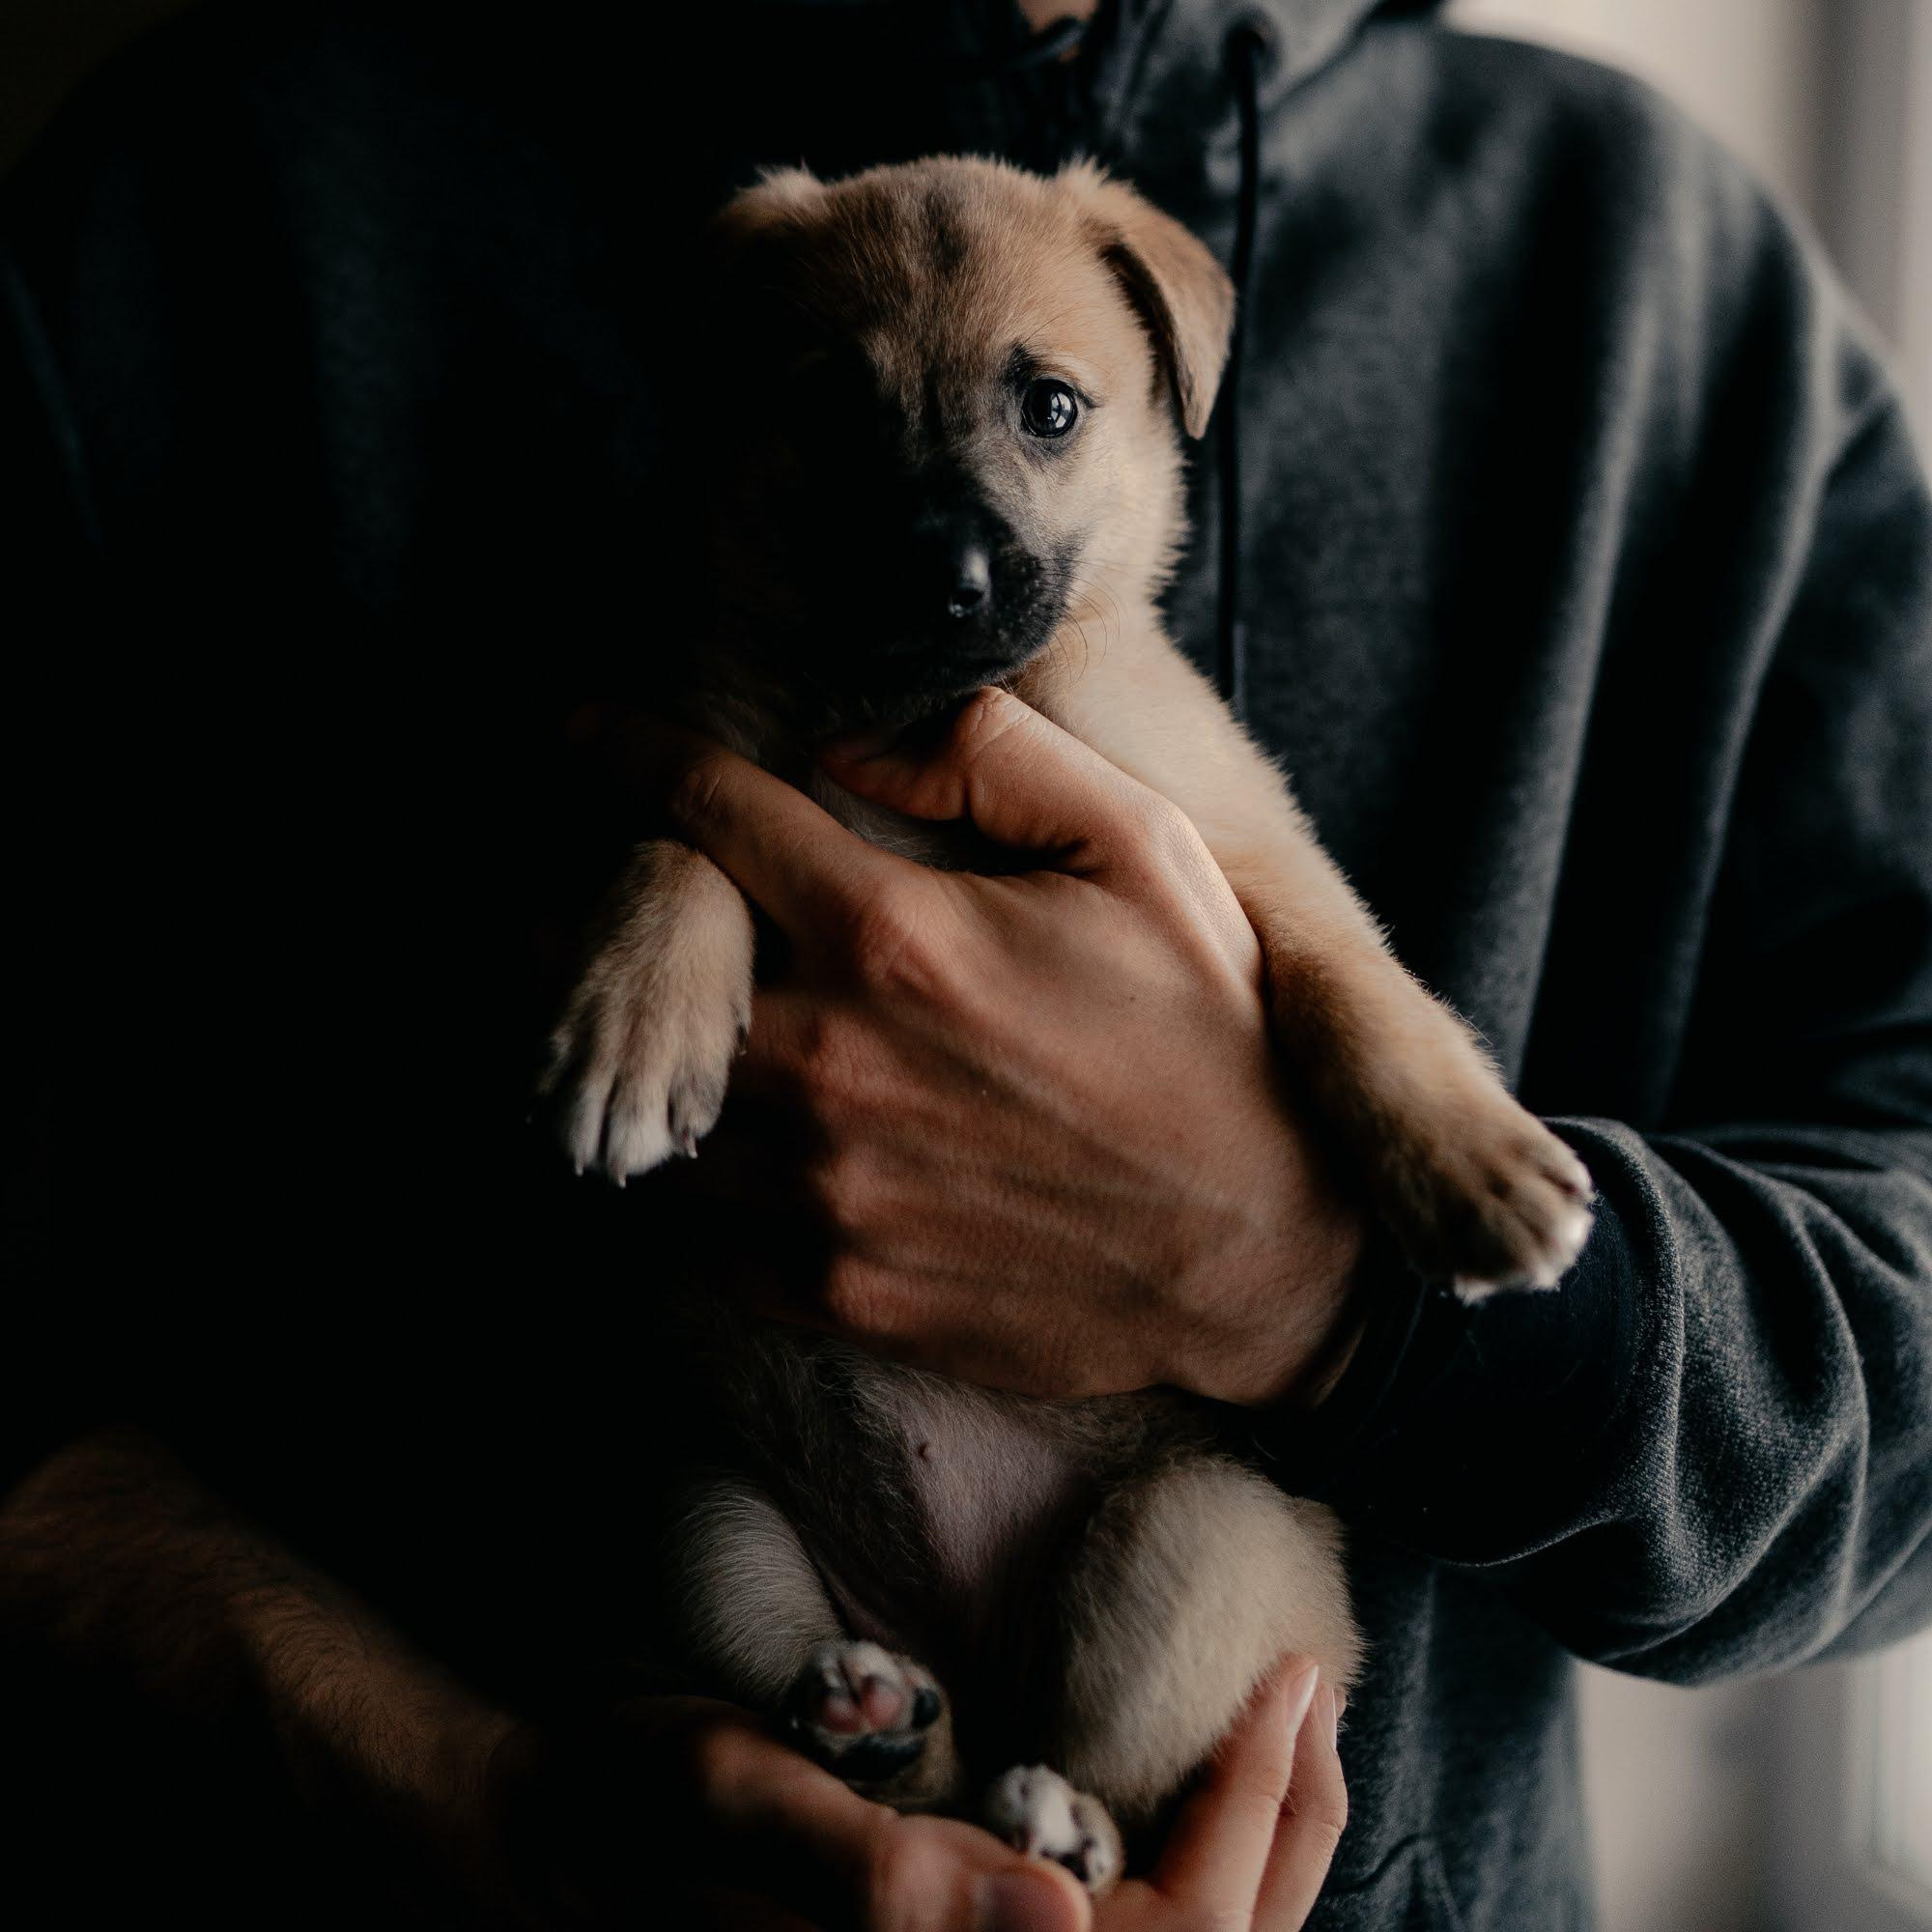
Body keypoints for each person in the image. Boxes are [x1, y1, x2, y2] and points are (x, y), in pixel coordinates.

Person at [3, 2, 1929, 1928]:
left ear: (1161, 370)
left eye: (1045, 411)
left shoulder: (1659, 263)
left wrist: (1345, 1300)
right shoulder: (209, 197)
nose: (943, 516)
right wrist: (477, 1803)